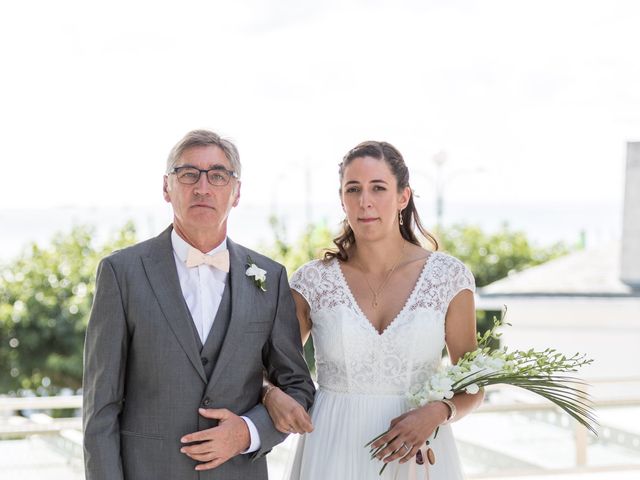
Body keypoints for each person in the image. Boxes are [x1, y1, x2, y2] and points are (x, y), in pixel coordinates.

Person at [82, 129, 315, 480]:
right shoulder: (122, 273)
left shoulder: (270, 277)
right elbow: (100, 409)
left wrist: (248, 433)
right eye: (188, 174)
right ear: (166, 187)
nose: (203, 188)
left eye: (218, 176)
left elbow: (298, 388)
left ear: (236, 193)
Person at [263, 141, 483, 479]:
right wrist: (269, 395)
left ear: (402, 197)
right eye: (353, 189)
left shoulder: (449, 278)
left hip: (417, 452)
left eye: (378, 188)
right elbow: (269, 367)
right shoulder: (312, 282)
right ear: (342, 199)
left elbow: (474, 385)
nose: (364, 201)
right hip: (331, 447)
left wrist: (439, 412)